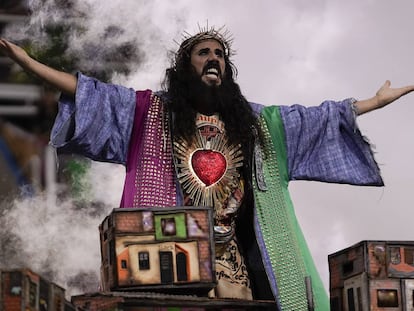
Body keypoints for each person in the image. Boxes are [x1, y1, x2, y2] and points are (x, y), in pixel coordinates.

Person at [1, 28, 413, 310]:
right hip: (172, 260)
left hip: (232, 262)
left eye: (219, 54)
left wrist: (372, 104)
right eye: (204, 53)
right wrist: (31, 64)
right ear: (185, 67)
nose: (214, 58)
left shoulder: (257, 124)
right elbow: (92, 93)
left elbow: (314, 118)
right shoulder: (150, 112)